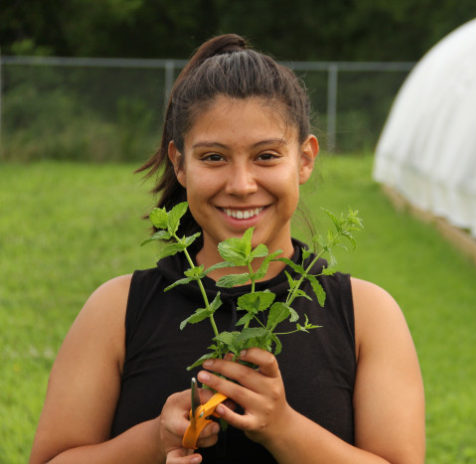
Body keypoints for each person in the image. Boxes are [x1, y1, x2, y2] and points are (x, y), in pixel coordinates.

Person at [29, 33, 424, 464]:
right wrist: (153, 440)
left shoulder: (367, 314)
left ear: (305, 159)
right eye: (214, 158)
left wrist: (284, 428)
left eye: (267, 156)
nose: (241, 185)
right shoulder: (116, 310)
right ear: (179, 163)